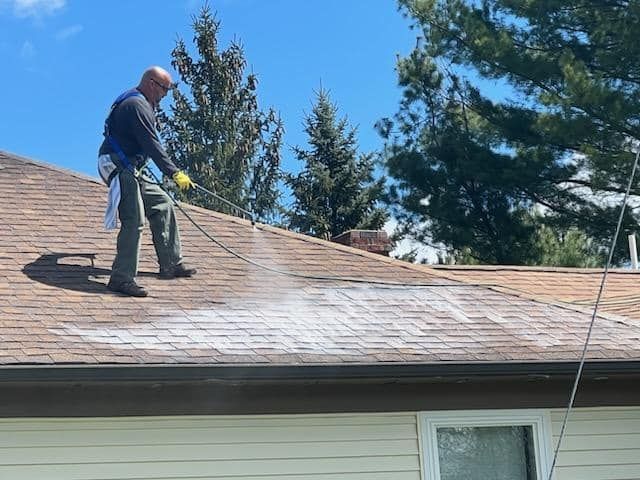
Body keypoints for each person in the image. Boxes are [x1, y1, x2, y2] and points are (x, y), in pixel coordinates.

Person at [98, 66, 196, 297]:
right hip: (116, 164)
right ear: (152, 84)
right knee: (134, 217)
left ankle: (170, 264)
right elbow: (152, 145)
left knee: (162, 203)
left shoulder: (142, 103)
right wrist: (174, 173)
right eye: (165, 90)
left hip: (131, 168)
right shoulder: (136, 106)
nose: (165, 96)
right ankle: (121, 279)